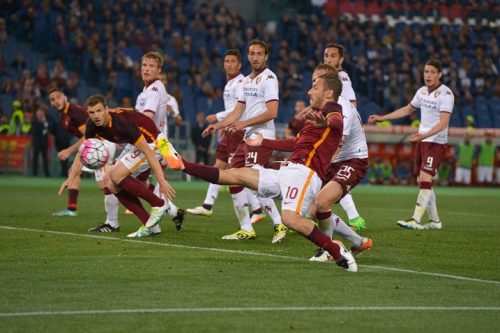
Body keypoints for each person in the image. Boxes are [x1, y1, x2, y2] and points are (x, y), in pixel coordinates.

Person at [169, 73, 358, 271]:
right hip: (289, 170)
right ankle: (183, 164)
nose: (309, 91)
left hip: (305, 173)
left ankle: (337, 252)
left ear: (329, 93)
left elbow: (336, 121)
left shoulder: (332, 110)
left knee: (290, 219)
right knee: (236, 174)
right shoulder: (315, 117)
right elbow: (296, 143)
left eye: (315, 87)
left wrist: (326, 122)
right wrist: (263, 142)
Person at [202, 40, 286, 243]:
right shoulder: (246, 81)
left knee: (255, 182)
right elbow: (237, 110)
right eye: (252, 53)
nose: (255, 57)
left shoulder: (269, 78)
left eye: (259, 53)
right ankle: (246, 228)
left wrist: (244, 123)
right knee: (232, 177)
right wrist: (219, 125)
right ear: (248, 56)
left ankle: (279, 222)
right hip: (248, 137)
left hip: (262, 137)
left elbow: (272, 112)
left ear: (266, 57)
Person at [61, 94, 176, 237]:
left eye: (99, 110)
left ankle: (159, 204)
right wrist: (71, 178)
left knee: (114, 175)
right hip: (138, 145)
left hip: (154, 142)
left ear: (107, 110)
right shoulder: (92, 124)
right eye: (91, 112)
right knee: (110, 183)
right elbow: (82, 151)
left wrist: (162, 180)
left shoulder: (122, 122)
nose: (95, 115)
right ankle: (150, 225)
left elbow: (147, 151)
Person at [369, 59, 455, 230]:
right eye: (426, 72)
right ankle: (435, 221)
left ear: (440, 74)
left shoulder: (446, 94)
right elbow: (407, 109)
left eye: (432, 72)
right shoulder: (422, 91)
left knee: (425, 177)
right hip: (423, 141)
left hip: (435, 142)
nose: (428, 75)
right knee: (421, 180)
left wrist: (424, 135)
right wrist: (382, 118)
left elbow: (443, 123)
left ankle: (415, 220)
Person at [186, 49, 265, 224]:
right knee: (220, 167)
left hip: (238, 132)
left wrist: (217, 118)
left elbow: (238, 109)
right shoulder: (229, 83)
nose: (228, 64)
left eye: (232, 61)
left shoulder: (241, 83)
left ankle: (261, 209)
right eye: (226, 61)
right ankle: (208, 205)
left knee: (235, 173)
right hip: (229, 131)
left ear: (239, 64)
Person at [116, 51, 184, 236]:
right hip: (144, 143)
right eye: (144, 65)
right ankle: (170, 210)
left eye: (151, 66)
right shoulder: (146, 91)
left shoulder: (155, 89)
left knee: (115, 178)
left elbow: (146, 119)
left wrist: (124, 129)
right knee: (116, 181)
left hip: (152, 145)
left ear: (159, 70)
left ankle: (159, 207)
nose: (146, 69)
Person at [49, 87, 120, 231]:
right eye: (52, 99)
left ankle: (135, 186)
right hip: (95, 145)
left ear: (65, 97)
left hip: (100, 145)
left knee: (108, 183)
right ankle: (71, 208)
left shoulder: (74, 112)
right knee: (74, 172)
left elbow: (86, 137)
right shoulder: (64, 115)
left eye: (57, 97)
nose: (55, 101)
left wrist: (69, 151)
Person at [322, 43, 366, 231]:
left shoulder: (342, 78)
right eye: (326, 55)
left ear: (340, 60)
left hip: (343, 133)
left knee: (329, 178)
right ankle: (355, 218)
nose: (329, 59)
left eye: (333, 56)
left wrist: (341, 127)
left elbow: (351, 104)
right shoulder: (326, 78)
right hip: (337, 130)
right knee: (331, 179)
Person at [31, 105, 51, 177]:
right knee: (35, 157)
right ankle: (34, 173)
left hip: (44, 143)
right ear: (37, 114)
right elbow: (36, 131)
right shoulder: (34, 121)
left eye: (42, 113)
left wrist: (44, 123)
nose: (40, 114)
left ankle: (47, 173)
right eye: (39, 113)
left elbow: (48, 130)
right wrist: (43, 130)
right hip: (36, 142)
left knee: (45, 158)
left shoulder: (46, 121)